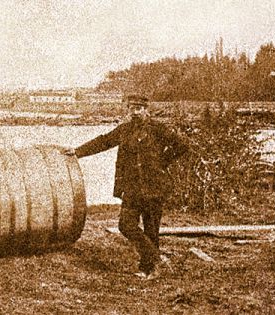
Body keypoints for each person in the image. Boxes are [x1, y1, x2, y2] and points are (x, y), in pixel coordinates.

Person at [63, 94, 190, 280]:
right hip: (132, 189)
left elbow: (182, 145)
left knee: (151, 230)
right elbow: (104, 141)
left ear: (147, 110)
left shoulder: (158, 129)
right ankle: (156, 259)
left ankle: (148, 269)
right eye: (131, 108)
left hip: (154, 188)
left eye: (139, 108)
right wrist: (78, 152)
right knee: (125, 225)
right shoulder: (125, 130)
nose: (135, 112)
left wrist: (162, 162)